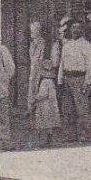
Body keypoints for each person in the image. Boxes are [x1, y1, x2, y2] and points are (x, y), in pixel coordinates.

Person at [57, 16, 91, 142]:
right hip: (67, 78)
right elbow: (62, 64)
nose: (76, 30)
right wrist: (60, 80)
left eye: (79, 28)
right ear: (70, 29)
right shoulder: (67, 45)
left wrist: (87, 82)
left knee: (82, 109)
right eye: (73, 27)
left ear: (82, 30)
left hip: (80, 78)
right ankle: (70, 135)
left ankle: (84, 134)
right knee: (67, 109)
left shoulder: (87, 45)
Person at [26, 20, 61, 148]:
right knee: (35, 107)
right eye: (31, 30)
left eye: (35, 30)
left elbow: (54, 63)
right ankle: (39, 136)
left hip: (45, 78)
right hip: (35, 78)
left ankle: (48, 136)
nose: (32, 33)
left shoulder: (50, 45)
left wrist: (45, 65)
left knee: (46, 107)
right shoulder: (32, 44)